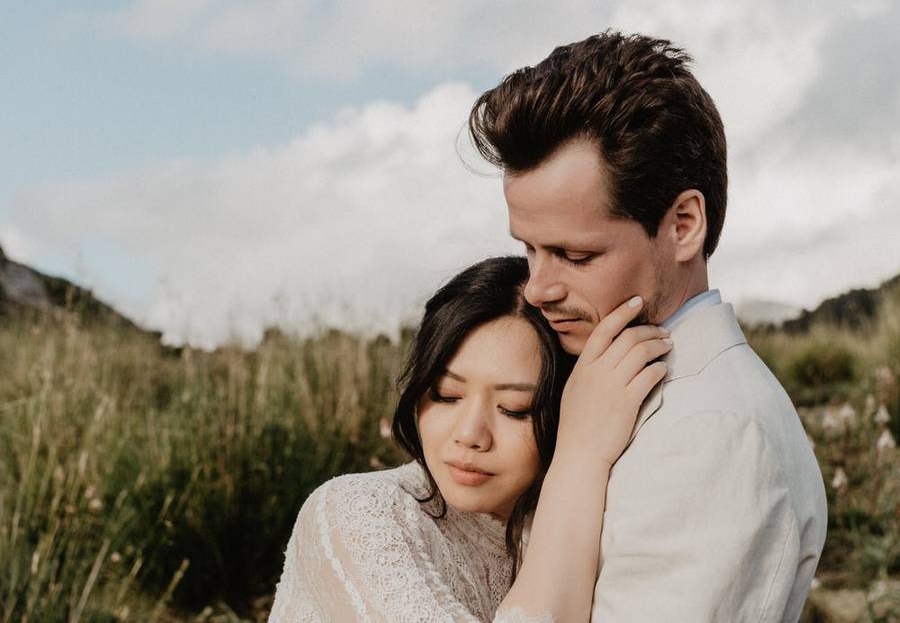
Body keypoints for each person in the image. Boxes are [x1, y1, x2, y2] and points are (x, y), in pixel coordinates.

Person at [468, 31, 829, 621]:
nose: (537, 289)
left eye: (576, 256)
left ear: (684, 224)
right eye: (529, 249)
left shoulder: (714, 433)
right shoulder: (597, 381)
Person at [267, 255, 672, 622]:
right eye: (446, 395)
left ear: (577, 410)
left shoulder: (595, 516)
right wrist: (581, 456)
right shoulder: (360, 513)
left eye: (516, 408)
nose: (470, 435)